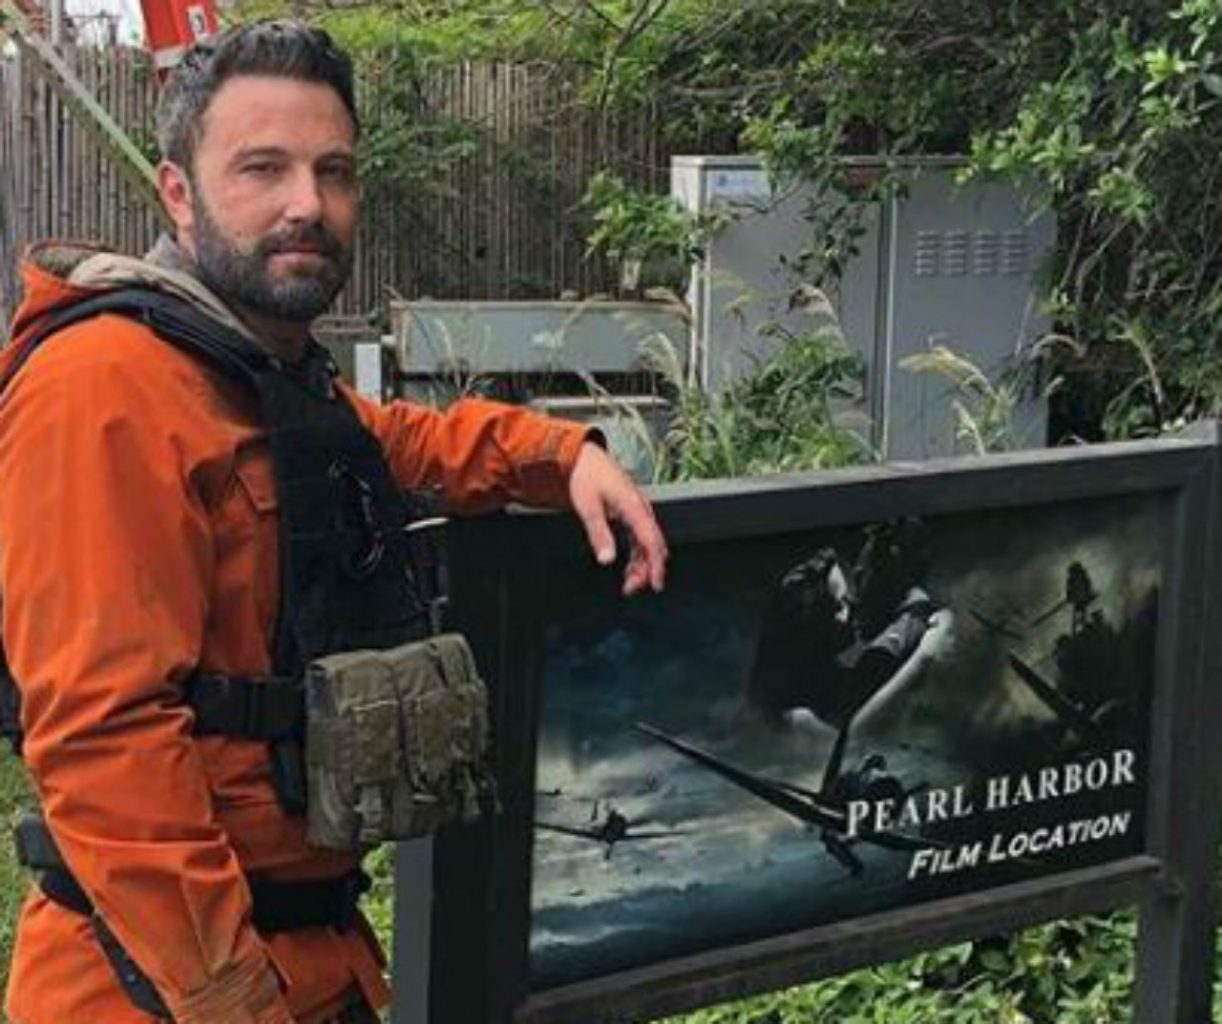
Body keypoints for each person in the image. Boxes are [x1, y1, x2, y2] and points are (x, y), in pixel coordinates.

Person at [0, 20, 666, 1024]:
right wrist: (231, 999)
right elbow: (103, 739)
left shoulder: (255, 374)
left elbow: (399, 443)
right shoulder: (104, 387)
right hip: (161, 982)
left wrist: (564, 454)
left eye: (334, 171)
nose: (307, 204)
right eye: (262, 168)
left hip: (315, 953)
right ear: (177, 192)